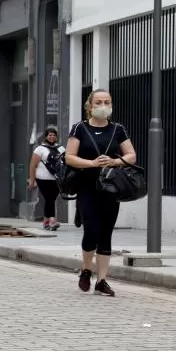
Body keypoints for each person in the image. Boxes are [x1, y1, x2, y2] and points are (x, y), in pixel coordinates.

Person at [64, 89, 137, 297]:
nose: (103, 105)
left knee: (106, 233)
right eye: (99, 102)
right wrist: (91, 163)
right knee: (91, 232)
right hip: (87, 187)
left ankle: (102, 280)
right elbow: (69, 157)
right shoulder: (79, 128)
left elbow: (131, 156)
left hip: (110, 188)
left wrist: (114, 161)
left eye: (107, 102)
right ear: (90, 105)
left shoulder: (118, 129)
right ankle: (86, 269)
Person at [28, 126, 63, 231]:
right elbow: (32, 165)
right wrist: (32, 181)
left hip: (56, 179)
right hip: (42, 179)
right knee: (49, 198)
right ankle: (52, 220)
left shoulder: (61, 149)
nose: (52, 137)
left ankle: (46, 221)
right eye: (50, 135)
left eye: (54, 135)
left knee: (51, 199)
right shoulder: (40, 149)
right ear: (46, 137)